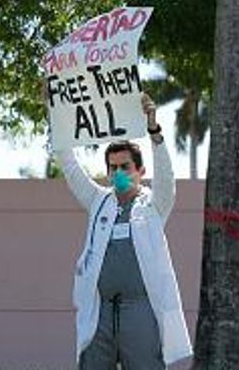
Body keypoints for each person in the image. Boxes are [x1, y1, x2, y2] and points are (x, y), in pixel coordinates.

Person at [54, 94, 192, 369]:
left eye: (125, 167)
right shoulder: (97, 200)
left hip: (140, 311)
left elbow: (166, 177)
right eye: (113, 167)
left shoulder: (154, 205)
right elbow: (69, 165)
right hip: (100, 311)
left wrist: (154, 131)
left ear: (140, 171)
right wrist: (55, 111)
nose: (118, 173)